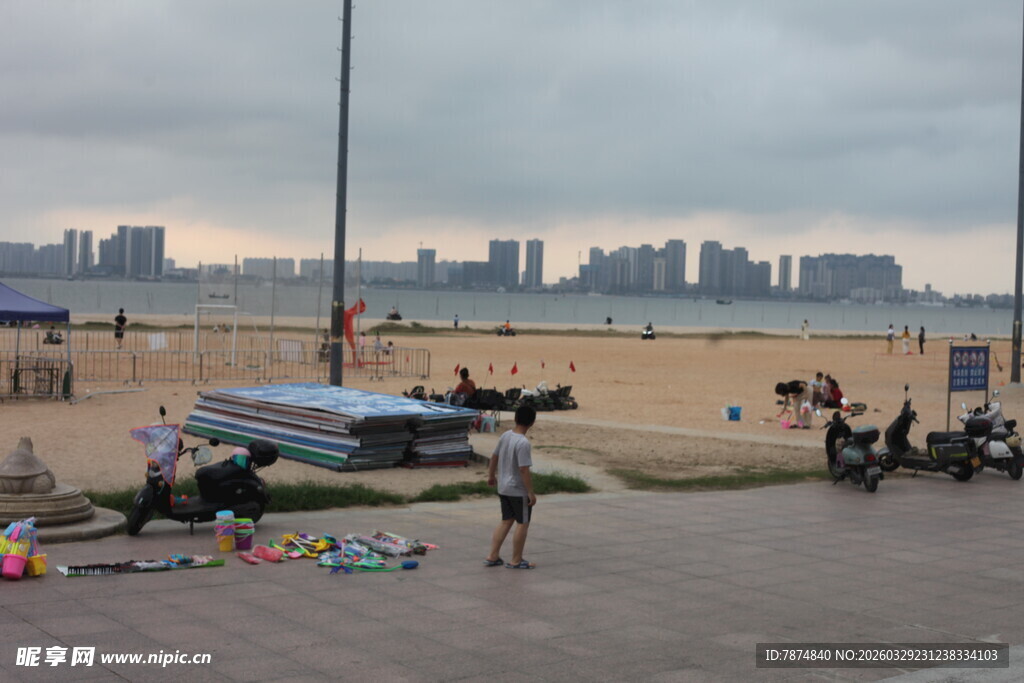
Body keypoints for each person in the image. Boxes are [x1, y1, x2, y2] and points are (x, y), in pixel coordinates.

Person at [484, 405, 538, 570]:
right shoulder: (523, 443)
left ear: (515, 418)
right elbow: (523, 469)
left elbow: (494, 456)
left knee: (506, 521)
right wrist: (530, 492)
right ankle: (516, 560)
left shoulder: (506, 435)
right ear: (532, 422)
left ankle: (493, 556)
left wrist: (491, 475)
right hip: (517, 490)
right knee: (522, 523)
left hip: (503, 487)